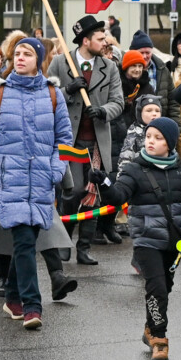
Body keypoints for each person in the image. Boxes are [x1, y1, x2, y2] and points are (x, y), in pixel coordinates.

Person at [0, 36, 73, 330]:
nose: (20, 58)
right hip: (10, 178)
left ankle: (12, 298)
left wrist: (55, 170)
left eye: (27, 54)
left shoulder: (53, 94)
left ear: (39, 60)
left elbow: (65, 140)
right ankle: (32, 306)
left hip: (42, 178)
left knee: (25, 243)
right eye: (17, 54)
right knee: (23, 239)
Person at [99, 115, 181, 360]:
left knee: (164, 288)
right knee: (156, 287)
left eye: (158, 138)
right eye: (148, 136)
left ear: (169, 143)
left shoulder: (180, 170)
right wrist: (104, 183)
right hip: (146, 240)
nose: (150, 141)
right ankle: (159, 340)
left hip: (174, 241)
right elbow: (118, 196)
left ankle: (150, 328)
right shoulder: (134, 169)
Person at [50, 15, 124, 265]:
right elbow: (46, 96)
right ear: (85, 40)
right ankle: (64, 242)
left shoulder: (109, 67)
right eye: (100, 39)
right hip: (69, 140)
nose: (105, 43)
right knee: (72, 192)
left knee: (94, 193)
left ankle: (84, 247)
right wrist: (67, 91)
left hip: (96, 141)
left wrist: (103, 111)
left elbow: (118, 102)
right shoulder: (60, 63)